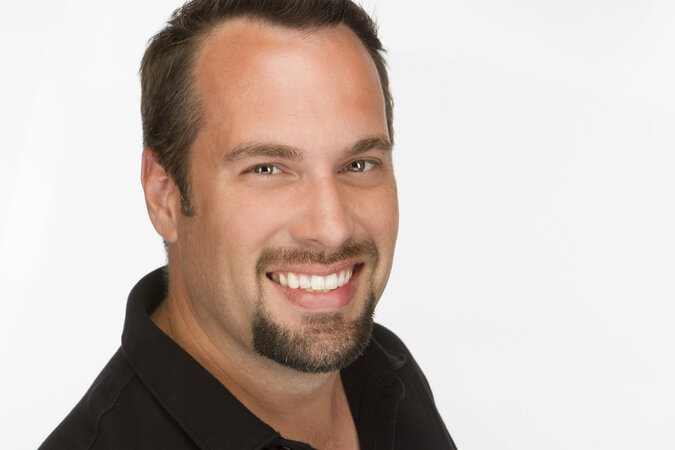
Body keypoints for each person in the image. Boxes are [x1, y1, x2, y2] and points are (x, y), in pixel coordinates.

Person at [40, 1, 456, 448]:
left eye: (358, 164)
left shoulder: (385, 370)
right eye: (266, 169)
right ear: (164, 195)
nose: (332, 227)